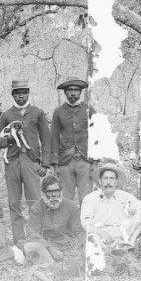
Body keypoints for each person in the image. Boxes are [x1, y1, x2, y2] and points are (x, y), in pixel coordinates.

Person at [0, 79, 51, 246]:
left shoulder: (37, 112)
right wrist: (9, 139)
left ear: (29, 93)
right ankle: (19, 241)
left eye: (24, 92)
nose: (21, 96)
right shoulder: (7, 115)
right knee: (14, 203)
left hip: (31, 162)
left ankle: (36, 239)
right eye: (18, 93)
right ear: (13, 95)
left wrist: (45, 164)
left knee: (35, 202)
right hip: (12, 163)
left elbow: (46, 139)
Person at [81, 161, 141, 249]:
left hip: (122, 233)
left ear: (116, 182)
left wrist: (131, 228)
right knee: (91, 235)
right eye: (105, 178)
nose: (108, 182)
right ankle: (108, 249)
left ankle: (127, 244)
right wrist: (101, 233)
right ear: (100, 181)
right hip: (101, 234)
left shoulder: (124, 196)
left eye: (112, 178)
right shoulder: (90, 199)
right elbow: (86, 223)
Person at [49, 76, 94, 204]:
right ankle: (67, 224)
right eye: (70, 90)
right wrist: (54, 162)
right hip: (65, 161)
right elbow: (54, 137)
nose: (73, 93)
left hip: (85, 160)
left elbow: (98, 135)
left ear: (80, 92)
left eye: (76, 90)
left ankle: (84, 223)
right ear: (65, 92)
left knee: (86, 197)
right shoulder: (58, 112)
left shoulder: (88, 110)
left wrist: (95, 161)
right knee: (66, 198)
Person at [24, 174, 85, 267]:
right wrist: (50, 248)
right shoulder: (36, 208)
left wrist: (81, 246)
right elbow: (33, 233)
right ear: (43, 193)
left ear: (61, 191)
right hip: (45, 246)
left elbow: (78, 232)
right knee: (34, 251)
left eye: (56, 191)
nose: (53, 195)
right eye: (49, 192)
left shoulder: (71, 206)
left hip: (67, 247)